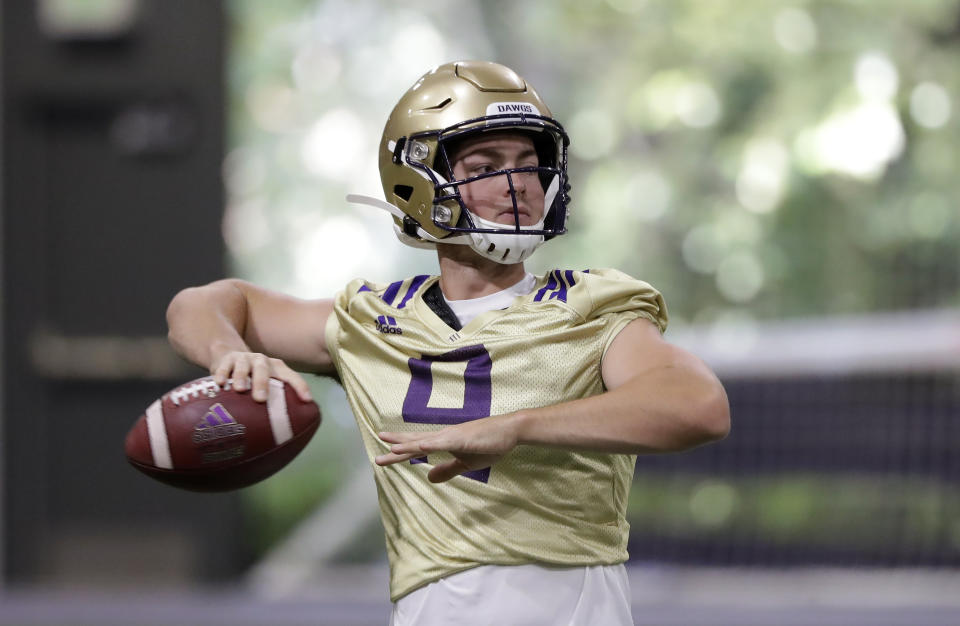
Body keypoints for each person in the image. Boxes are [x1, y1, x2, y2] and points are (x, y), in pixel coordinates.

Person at [166, 60, 730, 625]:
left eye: (529, 165)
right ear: (418, 179)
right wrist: (226, 352)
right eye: (486, 166)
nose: (520, 186)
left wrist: (519, 426)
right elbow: (198, 305)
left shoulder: (590, 305)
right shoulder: (370, 319)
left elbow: (698, 405)